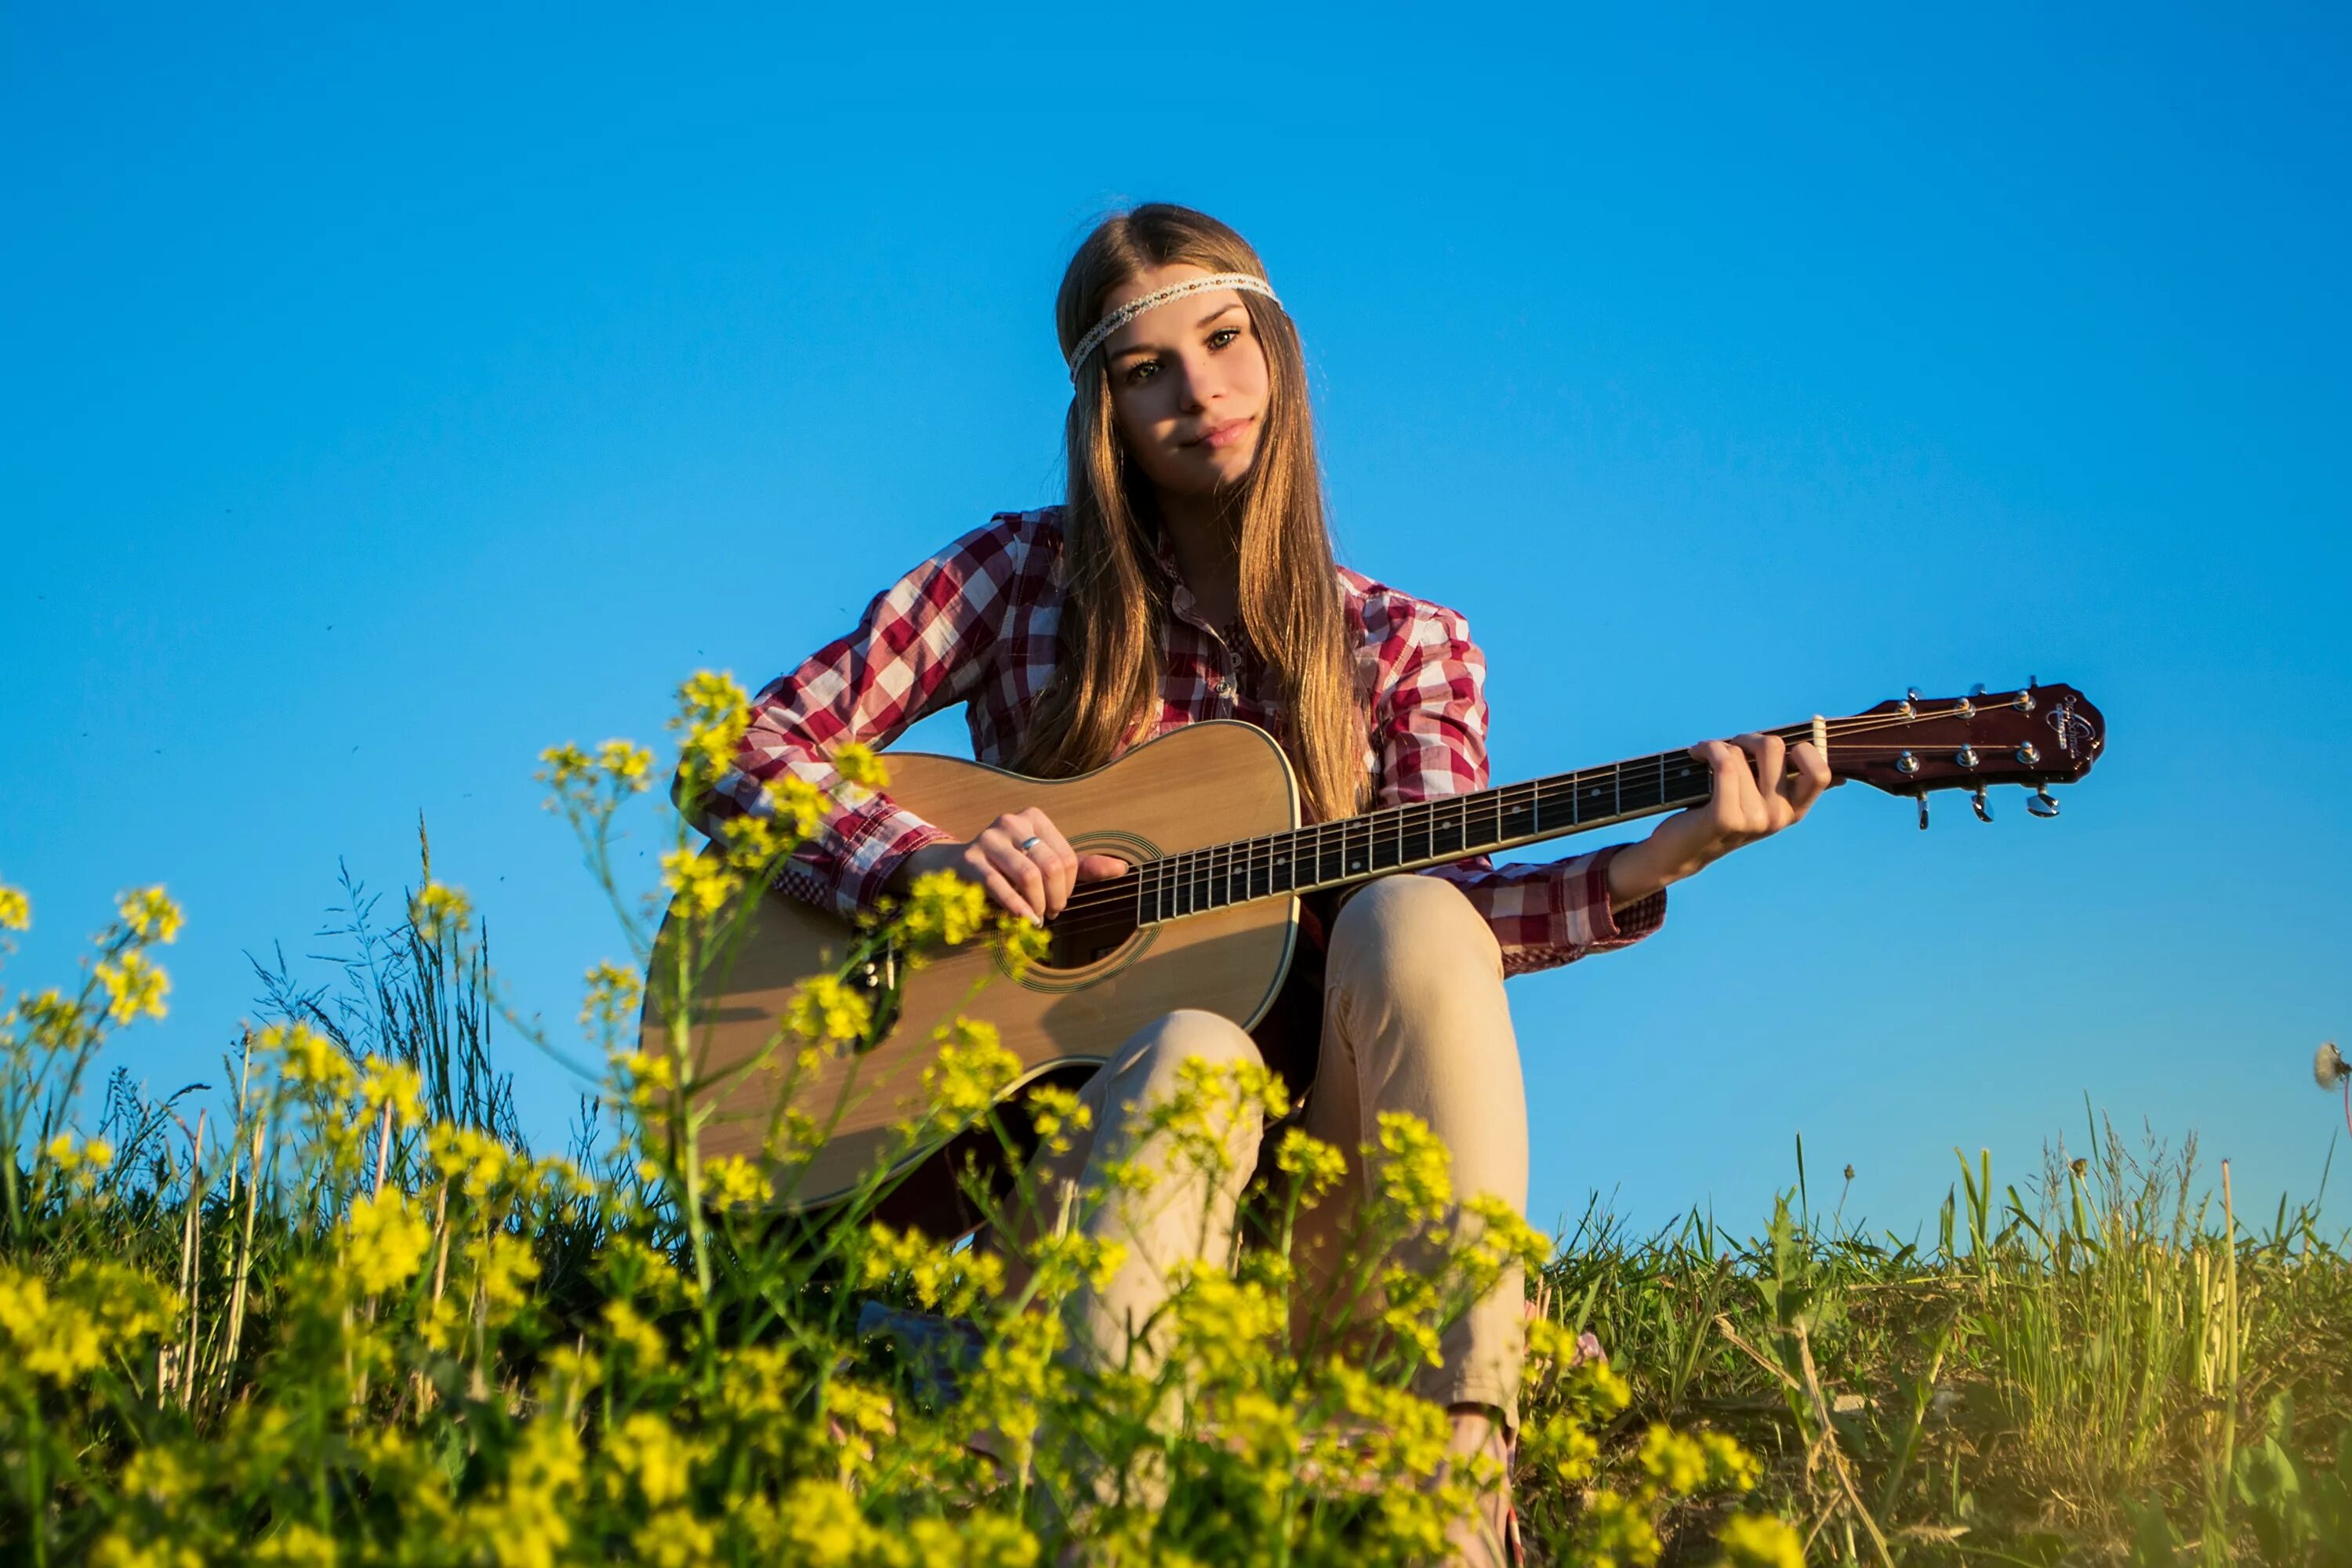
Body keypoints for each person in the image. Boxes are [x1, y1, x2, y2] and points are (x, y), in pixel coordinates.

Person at [687, 204, 1831, 1565]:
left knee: (1413, 907)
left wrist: (1662, 857)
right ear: (1101, 411)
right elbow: (742, 751)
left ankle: (1460, 1487)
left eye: (1222, 341)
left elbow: (1448, 939)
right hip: (1087, 1203)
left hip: (1328, 1241)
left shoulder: (1406, 647)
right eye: (1145, 369)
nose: (1198, 392)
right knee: (1189, 1051)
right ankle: (1101, 1518)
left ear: (1274, 351)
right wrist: (926, 867)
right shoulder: (1012, 577)